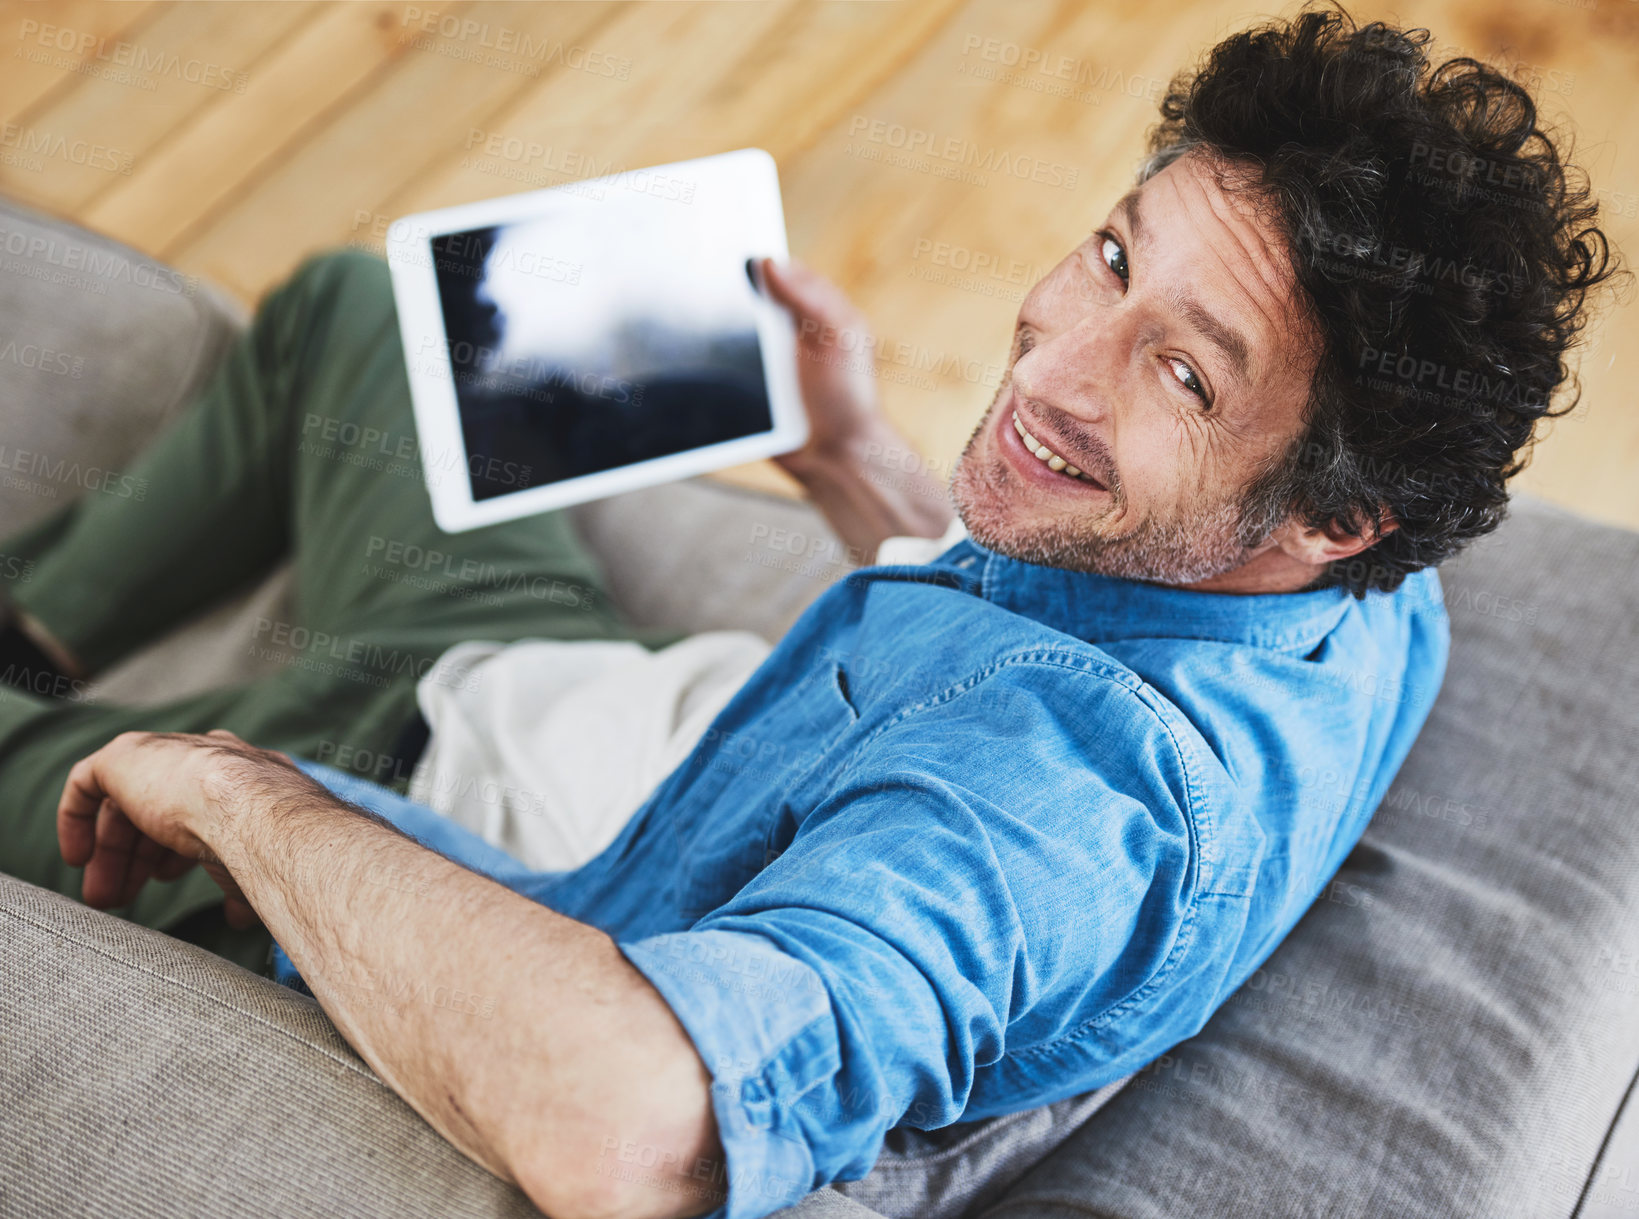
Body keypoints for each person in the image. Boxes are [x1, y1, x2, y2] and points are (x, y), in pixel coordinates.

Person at [0, 6, 1617, 1218]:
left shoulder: (1046, 821)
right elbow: (1064, 613)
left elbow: (630, 1118)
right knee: (384, 315)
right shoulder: (1367, 619)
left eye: (1182, 373)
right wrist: (855, 459)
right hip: (618, 716)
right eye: (1113, 256)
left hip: (431, 851)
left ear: (1337, 517)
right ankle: (44, 623)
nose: (1051, 359)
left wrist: (235, 796)